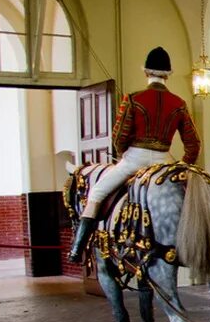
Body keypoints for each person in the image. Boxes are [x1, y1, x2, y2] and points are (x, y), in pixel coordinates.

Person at [68, 46, 201, 263]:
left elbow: (119, 136)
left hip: (134, 160)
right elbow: (193, 143)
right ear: (169, 74)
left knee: (96, 194)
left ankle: (77, 248)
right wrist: (183, 166)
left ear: (146, 72)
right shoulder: (179, 103)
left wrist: (124, 154)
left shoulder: (133, 98)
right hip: (164, 162)